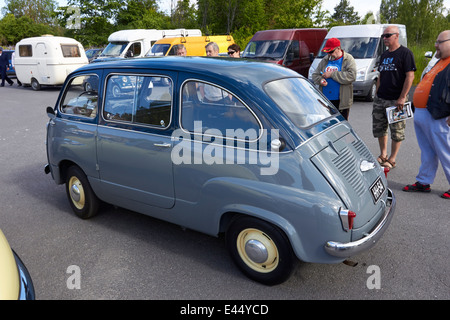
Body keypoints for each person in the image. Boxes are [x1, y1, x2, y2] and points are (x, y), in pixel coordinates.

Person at [403, 30, 450, 199]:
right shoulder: (439, 61)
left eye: (440, 42)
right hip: (424, 112)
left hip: (439, 114)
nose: (436, 45)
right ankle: (423, 181)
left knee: (446, 150)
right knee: (427, 151)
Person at [373, 25, 416, 169]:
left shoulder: (405, 53)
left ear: (396, 36)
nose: (384, 38)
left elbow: (410, 76)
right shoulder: (384, 55)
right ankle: (383, 154)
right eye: (383, 36)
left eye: (387, 35)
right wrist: (377, 94)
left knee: (397, 131)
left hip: (396, 100)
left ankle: (392, 159)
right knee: (380, 128)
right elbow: (380, 75)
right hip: (381, 98)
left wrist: (402, 97)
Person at [312, 38, 356, 120]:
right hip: (326, 100)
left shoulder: (348, 59)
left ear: (338, 48)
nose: (329, 54)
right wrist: (320, 80)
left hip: (341, 101)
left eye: (331, 52)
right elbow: (315, 75)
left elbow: (352, 76)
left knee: (341, 126)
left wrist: (332, 74)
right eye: (327, 52)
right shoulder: (325, 60)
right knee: (326, 125)